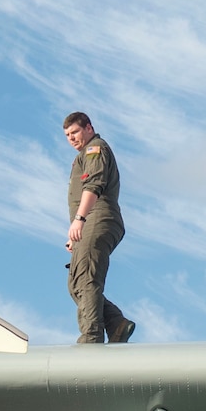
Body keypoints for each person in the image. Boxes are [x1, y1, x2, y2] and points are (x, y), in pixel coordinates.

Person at [63, 111, 133, 344]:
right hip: (88, 222)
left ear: (89, 128)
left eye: (75, 132)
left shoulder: (95, 149)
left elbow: (94, 184)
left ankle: (92, 336)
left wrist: (80, 219)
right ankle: (115, 323)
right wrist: (76, 234)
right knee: (75, 284)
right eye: (67, 135)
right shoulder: (83, 155)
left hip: (97, 217)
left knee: (87, 278)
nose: (71, 138)